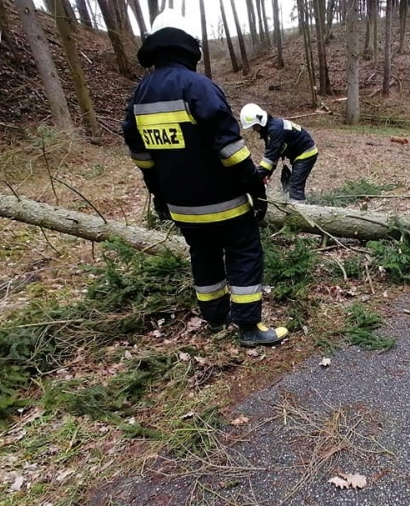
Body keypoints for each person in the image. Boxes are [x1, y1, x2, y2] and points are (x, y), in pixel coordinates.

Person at [121, 10, 288, 347]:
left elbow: (142, 157)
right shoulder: (198, 87)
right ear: (189, 45)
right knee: (244, 253)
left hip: (182, 206)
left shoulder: (139, 95)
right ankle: (249, 328)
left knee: (203, 255)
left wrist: (159, 196)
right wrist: (255, 188)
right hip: (224, 202)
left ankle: (215, 318)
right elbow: (231, 150)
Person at [239, 103, 318, 203]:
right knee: (293, 184)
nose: (254, 129)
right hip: (300, 153)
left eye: (254, 126)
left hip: (306, 152)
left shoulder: (275, 130)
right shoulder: (270, 129)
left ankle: (299, 208)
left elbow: (270, 158)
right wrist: (267, 174)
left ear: (260, 121)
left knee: (295, 185)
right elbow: (273, 156)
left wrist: (256, 178)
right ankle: (295, 204)